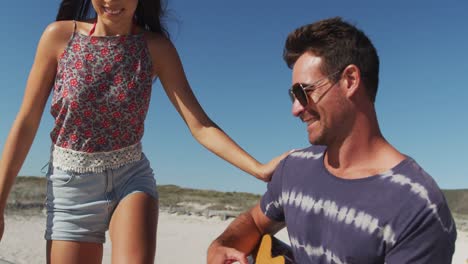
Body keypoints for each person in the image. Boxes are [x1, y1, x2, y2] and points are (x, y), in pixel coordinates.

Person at [0, 0, 289, 263]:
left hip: (130, 177)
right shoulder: (59, 36)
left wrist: (258, 169)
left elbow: (199, 124)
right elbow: (26, 121)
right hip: (71, 186)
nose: (111, 1)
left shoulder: (156, 48)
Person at [207, 17, 457, 264]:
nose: (296, 109)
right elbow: (254, 221)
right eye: (292, 95)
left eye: (303, 92)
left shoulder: (417, 207)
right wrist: (223, 245)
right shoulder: (293, 169)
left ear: (350, 80)